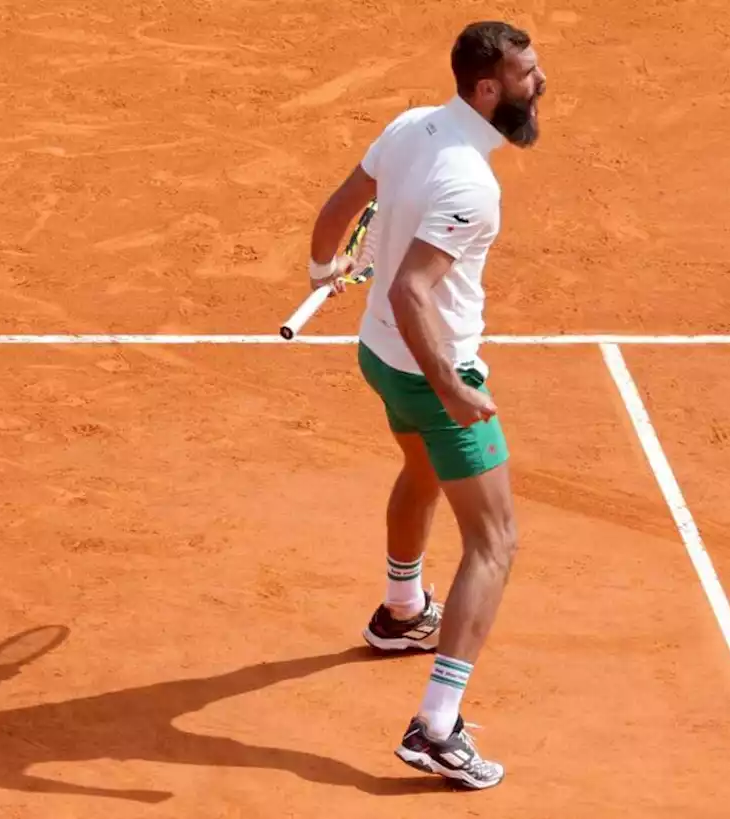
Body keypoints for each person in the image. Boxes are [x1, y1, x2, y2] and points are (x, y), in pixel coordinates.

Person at [303, 20, 546, 789]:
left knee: (420, 469)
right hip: (428, 369)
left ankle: (402, 609)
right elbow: (411, 289)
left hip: (378, 355)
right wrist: (452, 386)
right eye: (526, 75)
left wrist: (321, 265)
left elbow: (343, 200)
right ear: (488, 89)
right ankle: (436, 727)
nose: (538, 84)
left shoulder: (412, 125)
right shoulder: (473, 185)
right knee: (496, 542)